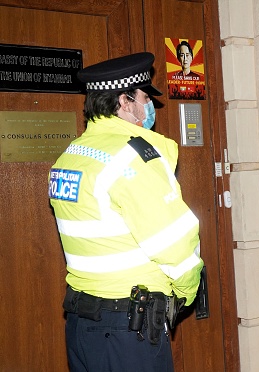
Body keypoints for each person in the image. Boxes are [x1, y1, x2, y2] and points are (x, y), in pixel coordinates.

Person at [48, 52, 203, 372]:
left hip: (81, 322)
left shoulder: (71, 155)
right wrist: (185, 293)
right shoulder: (133, 156)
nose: (151, 108)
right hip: (126, 329)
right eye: (146, 97)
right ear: (125, 100)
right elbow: (172, 242)